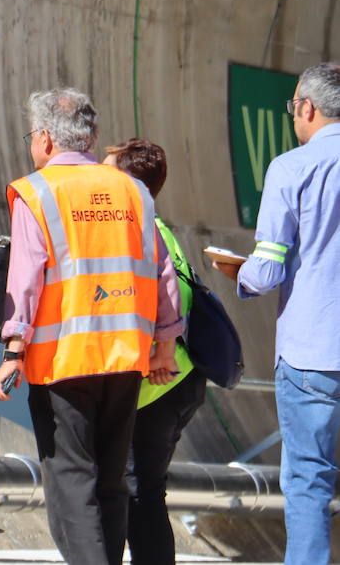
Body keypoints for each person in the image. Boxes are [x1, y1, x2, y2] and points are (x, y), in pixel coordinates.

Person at [0, 88, 182, 565]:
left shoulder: (36, 191)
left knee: (72, 480)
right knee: (111, 479)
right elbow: (162, 271)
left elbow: (26, 278)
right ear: (91, 137)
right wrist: (166, 344)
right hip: (125, 357)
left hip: (63, 360)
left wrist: (13, 351)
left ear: (45, 140)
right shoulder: (132, 190)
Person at [215, 62, 340, 565]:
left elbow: (267, 269)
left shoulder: (292, 167)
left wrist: (237, 273)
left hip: (313, 351)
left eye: (293, 108)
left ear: (307, 108)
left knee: (309, 480)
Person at [104, 138, 206, 565]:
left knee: (136, 492)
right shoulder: (161, 229)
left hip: (156, 385)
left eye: (107, 172)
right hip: (180, 381)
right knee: (146, 490)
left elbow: (162, 302)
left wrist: (153, 354)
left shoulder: (140, 231)